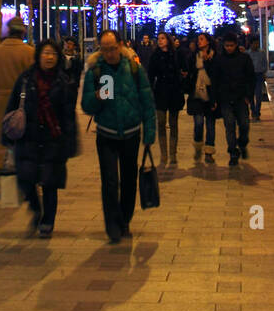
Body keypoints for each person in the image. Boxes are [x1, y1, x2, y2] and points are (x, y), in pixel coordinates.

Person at [82, 29, 156, 243]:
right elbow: (87, 105)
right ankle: (112, 224)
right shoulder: (95, 71)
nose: (109, 54)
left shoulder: (134, 68)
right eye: (104, 49)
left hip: (131, 133)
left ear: (120, 46)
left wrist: (149, 132)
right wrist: (97, 98)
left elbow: (146, 100)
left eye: (112, 49)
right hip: (106, 133)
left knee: (129, 180)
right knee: (109, 181)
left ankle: (125, 219)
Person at [5, 39, 77, 238]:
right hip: (29, 136)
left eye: (53, 54)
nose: (49, 57)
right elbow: (12, 105)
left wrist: (70, 141)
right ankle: (36, 210)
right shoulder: (26, 79)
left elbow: (68, 114)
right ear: (38, 55)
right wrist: (8, 135)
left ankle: (48, 222)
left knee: (49, 183)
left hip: (54, 138)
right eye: (45, 53)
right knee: (26, 179)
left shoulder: (63, 81)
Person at [0, 18, 34, 199]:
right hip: (22, 103)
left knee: (0, 144)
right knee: (23, 141)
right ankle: (23, 187)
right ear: (23, 32)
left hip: (1, 102)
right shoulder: (29, 52)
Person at [210, 30, 255, 167]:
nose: (229, 48)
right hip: (225, 98)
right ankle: (232, 152)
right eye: (226, 45)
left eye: (231, 45)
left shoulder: (244, 58)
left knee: (244, 124)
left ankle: (242, 142)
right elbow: (214, 80)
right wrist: (214, 99)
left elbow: (250, 78)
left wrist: (248, 96)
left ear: (236, 45)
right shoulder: (219, 60)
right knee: (229, 125)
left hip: (241, 97)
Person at [147, 30, 185, 167]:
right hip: (161, 92)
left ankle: (173, 153)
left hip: (174, 92)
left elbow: (182, 70)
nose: (160, 40)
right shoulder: (155, 56)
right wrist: (149, 91)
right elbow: (150, 75)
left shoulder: (176, 55)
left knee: (173, 123)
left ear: (168, 40)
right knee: (161, 122)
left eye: (163, 38)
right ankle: (164, 154)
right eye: (159, 38)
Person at [186, 31, 218, 163]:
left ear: (208, 41)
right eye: (198, 39)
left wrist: (208, 62)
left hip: (210, 95)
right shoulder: (194, 56)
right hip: (197, 95)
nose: (199, 42)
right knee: (198, 123)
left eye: (202, 39)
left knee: (210, 125)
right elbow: (190, 72)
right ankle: (198, 145)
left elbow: (216, 77)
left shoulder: (214, 57)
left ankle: (209, 152)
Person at [248, 36, 268, 121]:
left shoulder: (262, 52)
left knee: (259, 95)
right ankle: (253, 111)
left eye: (257, 43)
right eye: (254, 43)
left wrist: (263, 71)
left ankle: (257, 112)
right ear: (251, 44)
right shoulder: (247, 54)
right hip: (250, 76)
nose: (256, 45)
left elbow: (265, 63)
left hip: (259, 75)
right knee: (251, 95)